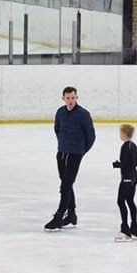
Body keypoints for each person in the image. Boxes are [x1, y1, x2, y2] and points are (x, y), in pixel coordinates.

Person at [46, 86, 95, 231]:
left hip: (75, 154)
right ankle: (71, 214)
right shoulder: (60, 112)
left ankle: (59, 215)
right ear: (63, 99)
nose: (70, 100)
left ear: (76, 98)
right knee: (66, 183)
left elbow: (91, 136)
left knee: (65, 185)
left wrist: (81, 151)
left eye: (73, 97)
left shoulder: (83, 114)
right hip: (62, 152)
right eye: (68, 98)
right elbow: (57, 129)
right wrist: (62, 144)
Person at [112, 123, 137, 241]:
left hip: (127, 177)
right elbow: (135, 162)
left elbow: (126, 163)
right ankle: (135, 230)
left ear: (124, 133)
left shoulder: (125, 146)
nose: (119, 135)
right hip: (134, 176)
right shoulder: (133, 145)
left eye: (120, 132)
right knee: (130, 201)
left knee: (121, 201)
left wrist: (117, 164)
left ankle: (125, 231)